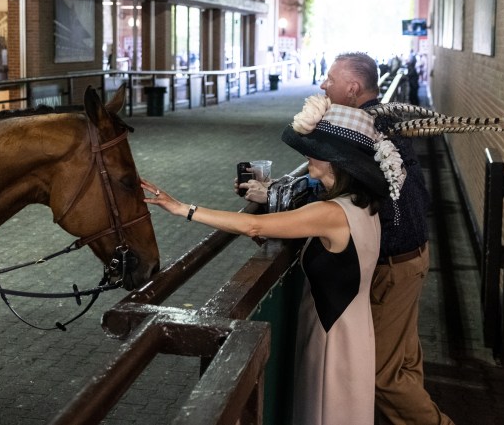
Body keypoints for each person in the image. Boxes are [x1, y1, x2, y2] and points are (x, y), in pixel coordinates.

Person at [144, 95, 407, 425]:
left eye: (316, 149)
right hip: (352, 325)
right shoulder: (362, 204)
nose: (307, 153)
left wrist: (184, 209)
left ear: (336, 160)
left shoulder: (330, 213)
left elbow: (253, 224)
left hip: (333, 334)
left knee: (327, 409)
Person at [321, 51, 453, 425]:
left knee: (382, 373)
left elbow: (339, 178)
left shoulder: (360, 129)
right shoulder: (385, 120)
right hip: (414, 256)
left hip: (394, 267)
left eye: (330, 79)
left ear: (352, 87)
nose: (323, 85)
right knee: (405, 363)